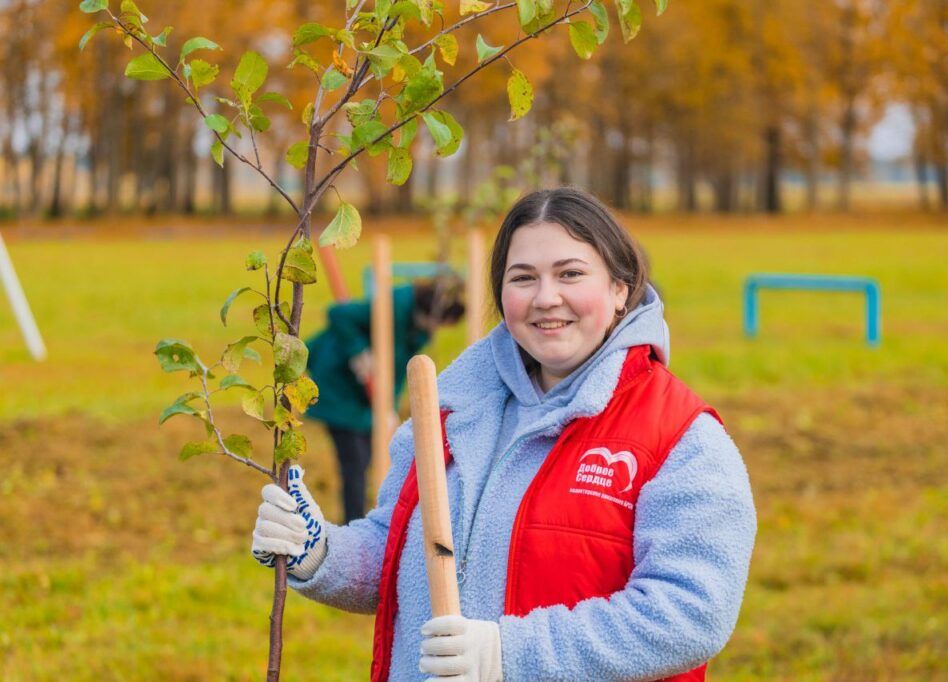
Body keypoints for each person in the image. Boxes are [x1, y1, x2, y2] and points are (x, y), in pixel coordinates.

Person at [251, 187, 757, 681]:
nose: (545, 298)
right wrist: (319, 553)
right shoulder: (447, 412)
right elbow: (401, 558)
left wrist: (507, 653)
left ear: (620, 289)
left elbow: (690, 613)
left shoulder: (681, 438)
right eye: (522, 278)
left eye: (570, 274)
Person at [303, 277, 465, 523]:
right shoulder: (392, 306)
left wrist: (388, 403)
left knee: (369, 457)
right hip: (338, 384)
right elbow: (339, 314)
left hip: (363, 397)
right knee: (355, 463)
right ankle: (352, 526)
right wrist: (359, 353)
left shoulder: (420, 326)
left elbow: (397, 366)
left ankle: (366, 519)